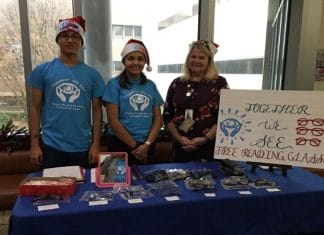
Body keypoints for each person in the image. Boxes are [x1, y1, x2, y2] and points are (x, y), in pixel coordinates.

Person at [28, 16, 105, 169]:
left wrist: (96, 145)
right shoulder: (42, 71)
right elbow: (35, 109)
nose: (70, 40)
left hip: (82, 147)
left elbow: (97, 112)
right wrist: (34, 145)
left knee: (82, 191)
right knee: (53, 191)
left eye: (76, 37)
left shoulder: (93, 75)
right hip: (51, 146)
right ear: (58, 40)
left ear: (81, 42)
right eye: (65, 36)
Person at [162, 39, 229, 162]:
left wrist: (205, 138)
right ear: (188, 59)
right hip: (181, 145)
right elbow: (167, 114)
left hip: (209, 145)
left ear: (209, 61)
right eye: (193, 57)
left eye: (201, 58)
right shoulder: (177, 83)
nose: (196, 61)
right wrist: (178, 137)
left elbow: (224, 116)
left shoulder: (220, 83)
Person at [103, 39, 164, 165]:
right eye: (131, 58)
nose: (135, 62)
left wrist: (147, 144)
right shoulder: (113, 84)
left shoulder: (151, 86)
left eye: (140, 59)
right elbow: (113, 121)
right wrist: (135, 146)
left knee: (145, 183)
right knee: (118, 184)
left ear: (145, 62)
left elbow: (158, 119)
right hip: (120, 144)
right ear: (124, 61)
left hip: (147, 145)